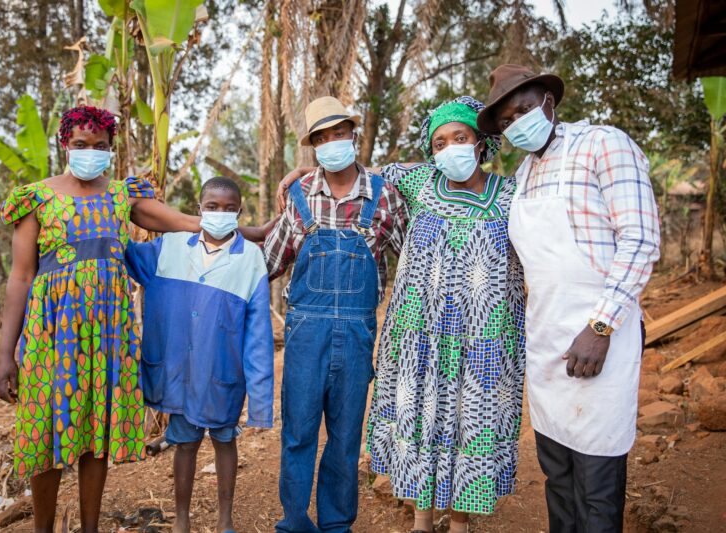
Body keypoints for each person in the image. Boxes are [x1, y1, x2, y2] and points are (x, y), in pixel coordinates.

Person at [278, 96, 526, 533]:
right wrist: (302, 172)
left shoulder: (512, 196)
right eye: (440, 141)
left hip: (484, 338)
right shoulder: (417, 183)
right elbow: (353, 175)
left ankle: (463, 518)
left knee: (470, 419)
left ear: (481, 141)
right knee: (421, 414)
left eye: (460, 138)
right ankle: (422, 520)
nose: (450, 148)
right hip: (419, 334)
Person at [0, 106, 207, 532]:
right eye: (80, 145)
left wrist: (240, 228)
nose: (90, 152)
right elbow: (20, 277)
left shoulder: (121, 197)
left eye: (100, 147)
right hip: (52, 333)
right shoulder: (37, 197)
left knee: (97, 433)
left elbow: (184, 223)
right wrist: (5, 355)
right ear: (63, 145)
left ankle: (90, 528)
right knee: (47, 430)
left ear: (111, 151)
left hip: (109, 334)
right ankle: (43, 528)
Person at [476, 64, 660, 533]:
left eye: (523, 110)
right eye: (505, 122)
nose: (516, 124)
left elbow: (639, 240)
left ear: (549, 104)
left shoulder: (602, 144)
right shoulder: (522, 174)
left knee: (596, 479)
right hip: (546, 339)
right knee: (557, 473)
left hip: (599, 334)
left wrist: (600, 327)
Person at [263, 96, 408, 533]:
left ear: (352, 134)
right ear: (313, 146)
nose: (332, 143)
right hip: (306, 333)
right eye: (321, 138)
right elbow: (269, 262)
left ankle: (336, 526)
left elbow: (415, 261)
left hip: (359, 333)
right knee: (298, 433)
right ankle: (294, 522)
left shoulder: (384, 195)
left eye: (338, 133)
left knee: (345, 439)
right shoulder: (300, 195)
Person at [125, 176, 274, 533]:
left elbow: (258, 336)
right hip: (178, 373)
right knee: (185, 444)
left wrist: (261, 402)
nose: (220, 214)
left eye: (228, 208)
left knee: (224, 441)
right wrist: (113, 200)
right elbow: (121, 251)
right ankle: (181, 518)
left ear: (240, 211)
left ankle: (225, 518)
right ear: (198, 210)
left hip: (223, 373)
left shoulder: (251, 258)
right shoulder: (168, 247)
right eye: (212, 207)